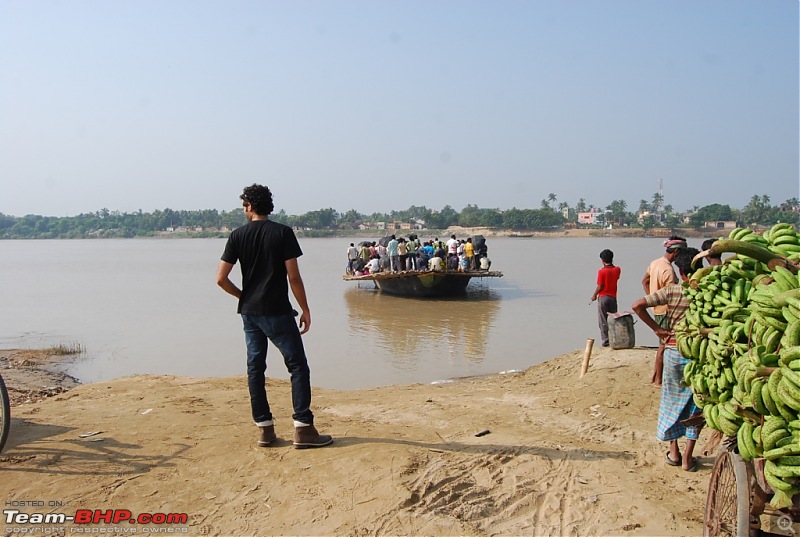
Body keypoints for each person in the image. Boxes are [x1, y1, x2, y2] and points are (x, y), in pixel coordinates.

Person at [216, 184, 333, 450]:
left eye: (244, 205)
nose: (244, 210)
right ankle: (303, 429)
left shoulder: (237, 236)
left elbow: (221, 279)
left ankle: (265, 430)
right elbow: (293, 276)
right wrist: (305, 309)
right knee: (297, 367)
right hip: (278, 311)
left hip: (250, 314)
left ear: (249, 206)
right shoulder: (283, 233)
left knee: (256, 369)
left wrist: (244, 297)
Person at [632, 247, 701, 472]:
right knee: (696, 406)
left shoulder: (672, 292)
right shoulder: (707, 292)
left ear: (680, 271)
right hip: (699, 355)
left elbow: (637, 306)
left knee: (672, 401)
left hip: (672, 352)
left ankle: (674, 452)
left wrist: (656, 329)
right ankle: (688, 458)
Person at [642, 236, 684, 386]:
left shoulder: (655, 263)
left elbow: (645, 281)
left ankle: (655, 375)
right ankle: (659, 379)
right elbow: (672, 295)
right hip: (666, 311)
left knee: (662, 344)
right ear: (677, 251)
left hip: (656, 308)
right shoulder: (668, 270)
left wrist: (651, 298)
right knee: (664, 345)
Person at [590, 249, 621, 347]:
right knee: (613, 319)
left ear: (602, 260)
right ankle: (614, 339)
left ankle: (605, 341)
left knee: (603, 320)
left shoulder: (601, 271)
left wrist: (594, 295)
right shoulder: (617, 269)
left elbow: (600, 286)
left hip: (603, 297)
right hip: (613, 297)